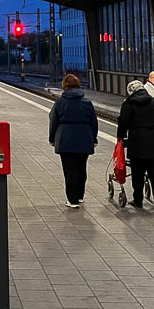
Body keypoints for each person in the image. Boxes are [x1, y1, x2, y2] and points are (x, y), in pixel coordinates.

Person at [117, 79, 154, 212]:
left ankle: (138, 200)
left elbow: (123, 122)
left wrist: (121, 138)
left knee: (138, 174)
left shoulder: (128, 104)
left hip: (137, 143)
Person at [48, 73, 98, 208]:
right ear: (78, 86)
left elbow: (53, 120)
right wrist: (94, 138)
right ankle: (80, 195)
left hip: (66, 138)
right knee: (82, 168)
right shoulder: (87, 102)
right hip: (84, 138)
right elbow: (94, 122)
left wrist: (52, 138)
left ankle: (72, 200)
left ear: (64, 86)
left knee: (69, 170)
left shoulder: (60, 102)